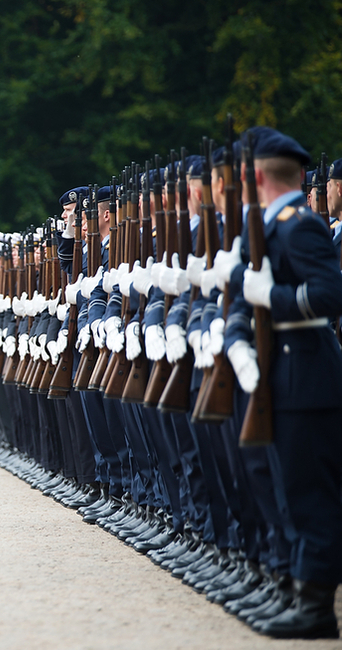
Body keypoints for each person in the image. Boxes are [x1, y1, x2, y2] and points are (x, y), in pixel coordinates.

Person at [223, 127, 342, 639]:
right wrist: (237, 340)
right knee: (285, 488)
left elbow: (330, 295)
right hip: (277, 377)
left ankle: (315, 604)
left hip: (306, 378)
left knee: (310, 494)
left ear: (253, 177)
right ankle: (297, 590)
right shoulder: (266, 228)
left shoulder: (299, 227)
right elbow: (239, 300)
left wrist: (276, 298)